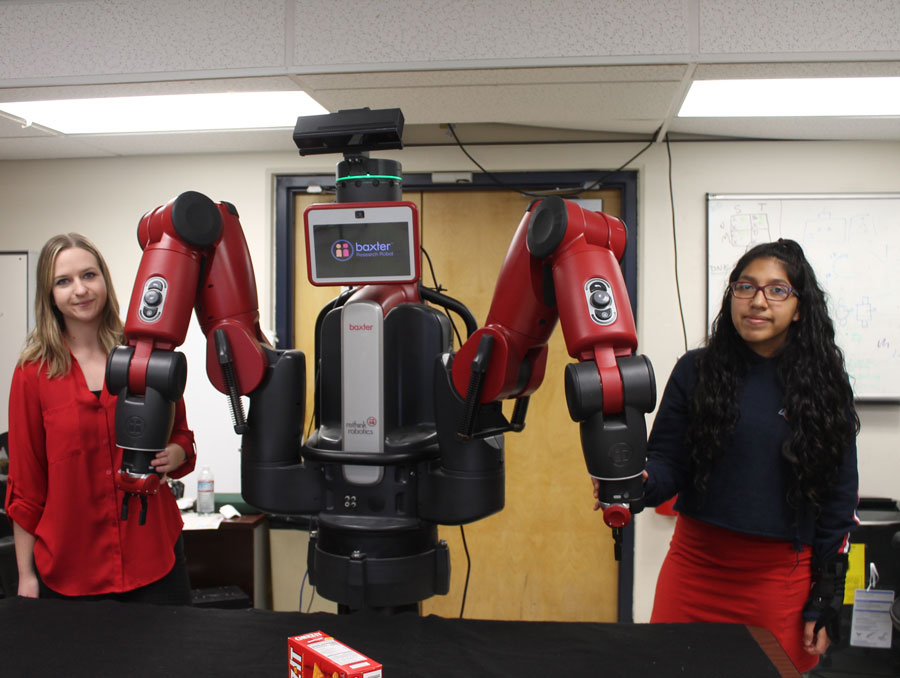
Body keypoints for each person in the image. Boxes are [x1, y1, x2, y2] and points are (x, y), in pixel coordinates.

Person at [636, 239, 858, 673]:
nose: (757, 301)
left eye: (777, 290)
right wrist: (635, 483)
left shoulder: (825, 387)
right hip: (693, 568)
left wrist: (824, 602)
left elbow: (837, 503)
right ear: (732, 296)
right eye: (745, 287)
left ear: (799, 307)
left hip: (778, 582)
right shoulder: (695, 371)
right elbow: (667, 464)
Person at [5, 233, 196, 604]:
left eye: (89, 275)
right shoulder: (32, 373)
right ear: (50, 294)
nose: (80, 290)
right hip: (71, 573)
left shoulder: (146, 353)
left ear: (104, 279)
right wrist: (26, 576)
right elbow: (26, 486)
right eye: (64, 281)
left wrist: (175, 453)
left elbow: (182, 437)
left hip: (154, 559)